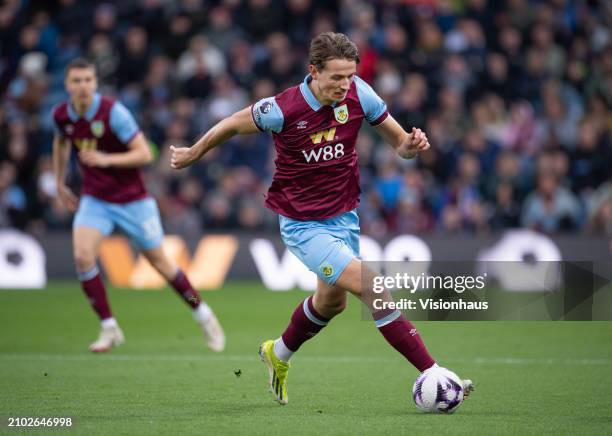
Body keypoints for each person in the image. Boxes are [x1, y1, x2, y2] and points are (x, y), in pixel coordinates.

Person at [170, 32, 473, 404]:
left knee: (332, 303)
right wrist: (194, 154)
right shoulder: (282, 108)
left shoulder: (361, 94)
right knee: (372, 286)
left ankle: (276, 354)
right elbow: (231, 124)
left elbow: (399, 143)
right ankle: (432, 372)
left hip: (344, 217)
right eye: (336, 77)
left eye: (350, 76)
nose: (345, 85)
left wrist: (409, 147)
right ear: (313, 71)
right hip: (303, 224)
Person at [52, 58, 225, 353]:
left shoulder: (113, 113)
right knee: (83, 256)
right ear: (67, 85)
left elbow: (145, 154)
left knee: (161, 264)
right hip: (96, 199)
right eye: (76, 81)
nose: (82, 87)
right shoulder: (62, 115)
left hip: (134, 200)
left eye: (87, 81)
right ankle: (109, 327)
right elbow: (61, 143)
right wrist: (59, 182)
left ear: (95, 83)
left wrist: (107, 160)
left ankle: (203, 313)